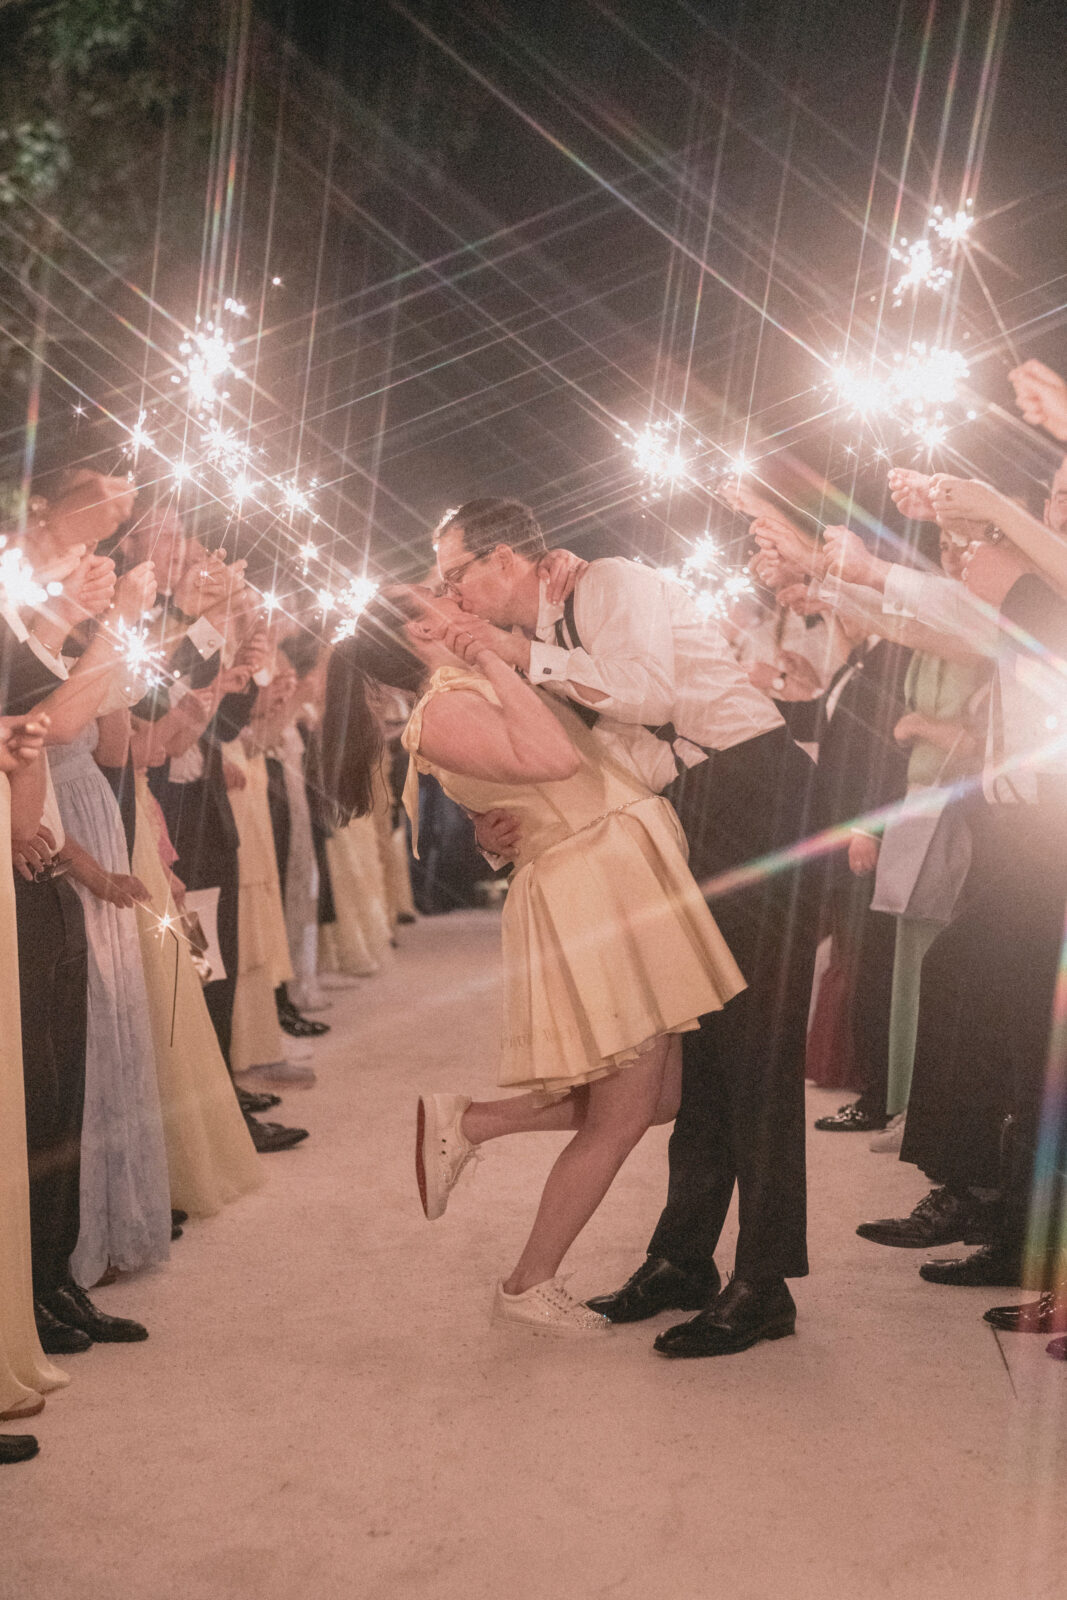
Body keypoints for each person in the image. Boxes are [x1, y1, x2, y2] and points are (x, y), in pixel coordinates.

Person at [434, 498, 819, 1357]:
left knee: (755, 1046)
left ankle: (764, 1282)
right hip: (685, 813)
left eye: (455, 572)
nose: (450, 594)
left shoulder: (606, 582)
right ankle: (682, 1259)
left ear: (503, 558)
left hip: (754, 793)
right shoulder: (542, 642)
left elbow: (648, 694)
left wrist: (521, 652)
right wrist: (494, 832)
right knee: (704, 1045)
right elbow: (576, 772)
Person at [323, 585, 745, 1337]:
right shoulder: (442, 708)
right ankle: (528, 1281)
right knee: (620, 1115)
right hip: (592, 889)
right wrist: (493, 656)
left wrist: (498, 662)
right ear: (421, 632)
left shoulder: (464, 691)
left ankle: (472, 1123)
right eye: (437, 602)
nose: (457, 604)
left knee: (659, 1098)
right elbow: (550, 758)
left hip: (618, 871)